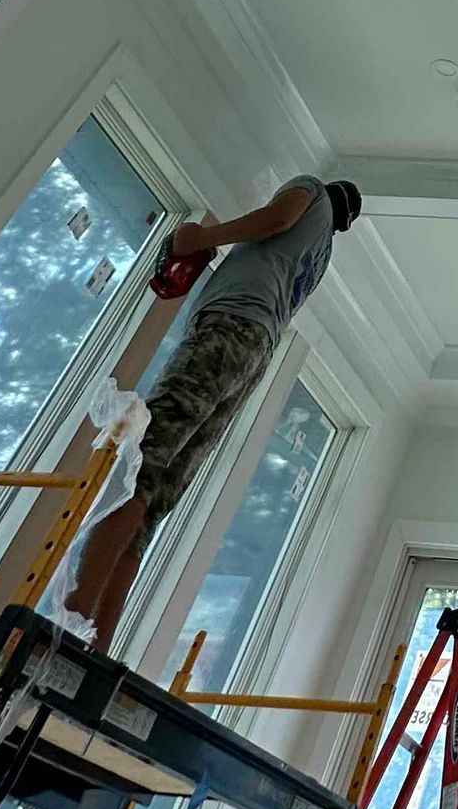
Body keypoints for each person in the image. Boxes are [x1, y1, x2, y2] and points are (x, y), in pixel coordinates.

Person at [63, 175, 361, 650]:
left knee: (138, 466)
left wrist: (201, 238)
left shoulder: (313, 193)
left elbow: (276, 217)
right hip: (252, 353)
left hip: (227, 330)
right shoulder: (317, 255)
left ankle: (70, 619)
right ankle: (97, 642)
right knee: (153, 498)